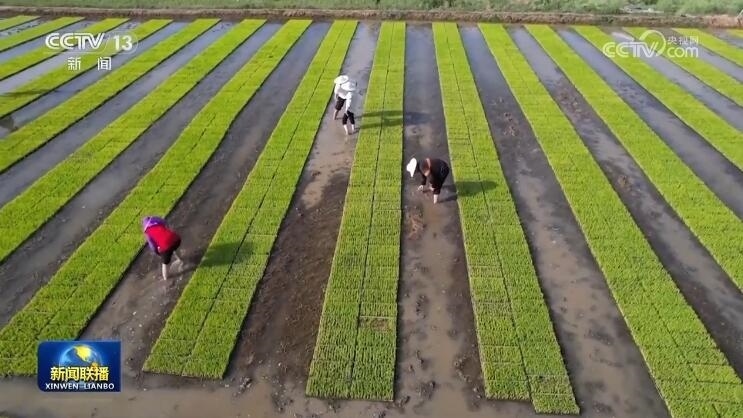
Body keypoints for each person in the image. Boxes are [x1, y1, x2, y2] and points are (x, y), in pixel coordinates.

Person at [142, 216, 183, 281]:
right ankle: (180, 259)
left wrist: (158, 253)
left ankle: (165, 278)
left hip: (166, 246)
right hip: (176, 238)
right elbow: (165, 222)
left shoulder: (148, 232)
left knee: (165, 263)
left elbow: (152, 246)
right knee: (173, 248)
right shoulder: (157, 222)